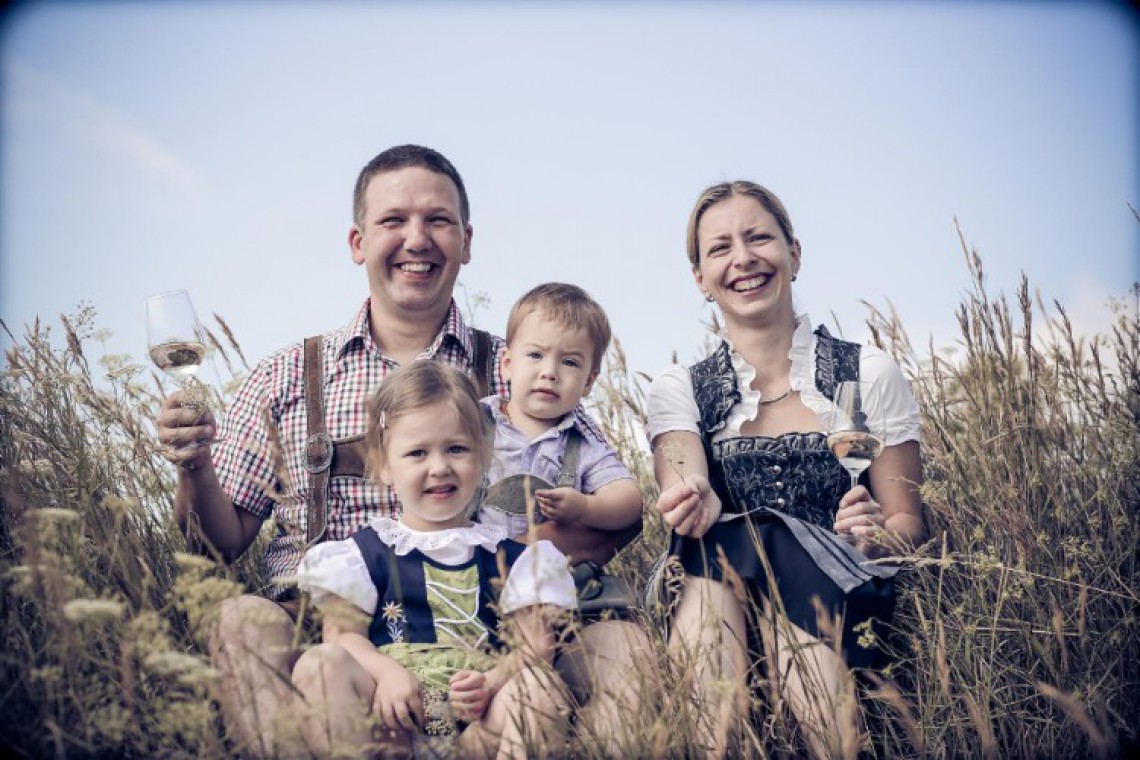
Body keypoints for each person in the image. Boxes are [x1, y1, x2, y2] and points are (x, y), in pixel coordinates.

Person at [154, 144, 648, 757]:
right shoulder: (288, 376)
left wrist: (505, 575)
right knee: (239, 623)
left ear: (467, 241)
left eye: (437, 221)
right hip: (332, 630)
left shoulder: (525, 367)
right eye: (393, 221)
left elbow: (615, 516)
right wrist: (194, 467)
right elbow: (216, 545)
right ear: (358, 242)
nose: (417, 239)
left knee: (626, 649)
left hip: (494, 624)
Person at [646, 180, 926, 758]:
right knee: (711, 549)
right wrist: (693, 492)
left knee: (796, 582)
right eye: (719, 248)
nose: (742, 258)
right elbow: (683, 474)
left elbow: (906, 521)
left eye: (758, 238)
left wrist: (877, 539)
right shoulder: (683, 389)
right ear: (700, 278)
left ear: (793, 253)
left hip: (830, 586)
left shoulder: (862, 373)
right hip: (717, 595)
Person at [294, 360, 576, 759]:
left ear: (482, 455)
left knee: (541, 687)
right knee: (320, 665)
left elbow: (536, 646)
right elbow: (342, 638)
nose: (439, 467)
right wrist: (387, 673)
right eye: (417, 453)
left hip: (480, 728)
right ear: (384, 466)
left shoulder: (513, 557)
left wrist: (492, 682)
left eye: (457, 449)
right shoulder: (363, 553)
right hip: (395, 726)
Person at [478, 282, 643, 551]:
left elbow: (629, 501)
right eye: (535, 355)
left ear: (589, 381)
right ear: (507, 364)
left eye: (569, 362)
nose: (549, 372)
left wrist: (585, 507)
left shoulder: (582, 444)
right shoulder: (477, 421)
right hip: (469, 565)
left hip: (549, 577)